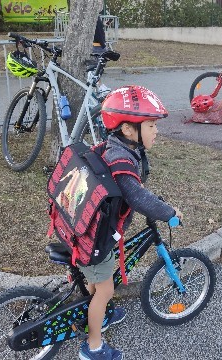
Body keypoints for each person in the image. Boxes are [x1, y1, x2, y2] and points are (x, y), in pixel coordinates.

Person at [78, 85, 182, 360]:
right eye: (150, 125)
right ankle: (94, 347)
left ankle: (93, 312)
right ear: (127, 129)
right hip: (96, 237)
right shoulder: (121, 158)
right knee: (106, 289)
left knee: (98, 282)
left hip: (90, 230)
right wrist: (169, 211)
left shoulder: (114, 147)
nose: (156, 130)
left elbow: (133, 191)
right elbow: (136, 197)